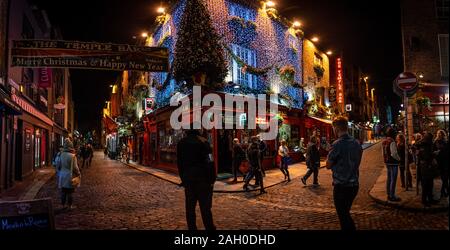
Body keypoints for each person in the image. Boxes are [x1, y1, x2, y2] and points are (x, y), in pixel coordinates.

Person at [325, 116, 362, 231]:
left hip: (341, 187)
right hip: (354, 186)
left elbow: (328, 165)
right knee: (345, 213)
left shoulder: (337, 144)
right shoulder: (356, 143)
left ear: (336, 129)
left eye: (333, 129)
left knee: (343, 216)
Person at [177, 126, 216, 230]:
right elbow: (210, 161)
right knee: (205, 208)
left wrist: (183, 178)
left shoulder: (181, 143)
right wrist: (212, 179)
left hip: (188, 180)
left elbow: (179, 163)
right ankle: (210, 229)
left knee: (190, 208)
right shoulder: (204, 142)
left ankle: (192, 229)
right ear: (199, 130)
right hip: (203, 180)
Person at [57, 138, 81, 210]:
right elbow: (75, 167)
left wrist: (59, 172)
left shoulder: (61, 154)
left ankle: (62, 205)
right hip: (69, 176)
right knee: (70, 192)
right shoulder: (72, 156)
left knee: (63, 191)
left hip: (62, 175)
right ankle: (69, 206)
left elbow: (58, 165)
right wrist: (78, 173)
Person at [416, 132, 439, 206]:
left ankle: (430, 199)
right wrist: (434, 154)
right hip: (426, 166)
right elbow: (427, 156)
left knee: (429, 183)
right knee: (426, 184)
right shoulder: (425, 145)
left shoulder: (422, 144)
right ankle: (425, 201)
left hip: (425, 166)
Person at [382, 128, 401, 202]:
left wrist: (385, 159)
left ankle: (388, 194)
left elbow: (383, 152)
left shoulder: (384, 141)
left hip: (387, 162)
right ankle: (392, 195)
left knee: (389, 178)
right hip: (393, 162)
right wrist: (399, 159)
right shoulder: (392, 142)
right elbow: (394, 154)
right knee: (393, 179)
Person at [433, 130, 449, 199]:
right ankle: (445, 190)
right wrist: (436, 152)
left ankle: (443, 191)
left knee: (445, 177)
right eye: (438, 133)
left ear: (443, 135)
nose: (439, 134)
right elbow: (433, 151)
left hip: (446, 160)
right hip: (439, 161)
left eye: (440, 133)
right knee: (443, 177)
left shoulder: (446, 142)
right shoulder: (435, 142)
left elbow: (447, 151)